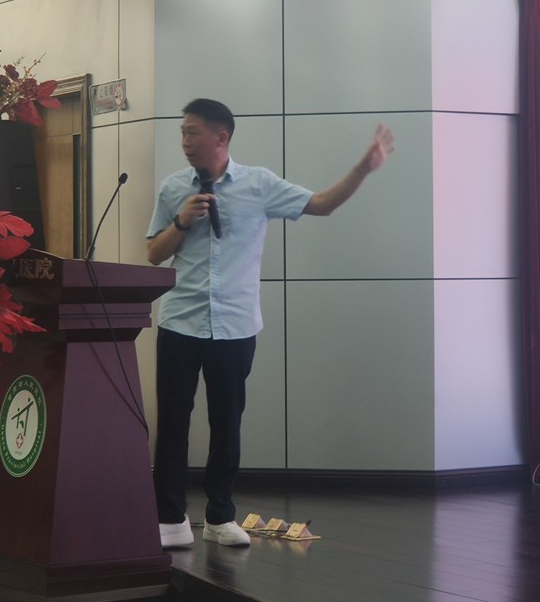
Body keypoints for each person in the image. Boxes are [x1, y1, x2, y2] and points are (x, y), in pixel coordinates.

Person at [146, 98, 395, 549]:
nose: (184, 141)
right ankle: (170, 519)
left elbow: (322, 204)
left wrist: (364, 168)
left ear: (221, 137)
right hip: (180, 321)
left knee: (227, 423)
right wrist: (181, 221)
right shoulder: (173, 187)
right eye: (182, 132)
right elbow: (153, 254)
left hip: (236, 325)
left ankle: (220, 517)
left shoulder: (259, 184)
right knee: (174, 423)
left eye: (192, 132)